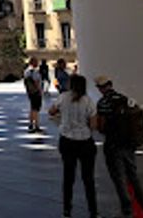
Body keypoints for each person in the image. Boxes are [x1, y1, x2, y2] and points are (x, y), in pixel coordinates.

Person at [95, 75, 143, 218]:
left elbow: (100, 127)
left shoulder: (103, 103)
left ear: (100, 88)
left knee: (119, 179)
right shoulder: (125, 99)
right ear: (111, 84)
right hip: (129, 145)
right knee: (133, 176)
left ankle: (127, 211)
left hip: (113, 146)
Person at [49, 74, 98, 218]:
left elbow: (51, 111)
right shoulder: (89, 101)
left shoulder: (63, 97)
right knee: (88, 179)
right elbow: (94, 125)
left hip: (67, 140)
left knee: (68, 177)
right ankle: (93, 211)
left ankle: (67, 210)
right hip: (84, 141)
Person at [24, 57, 43, 132]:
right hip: (36, 92)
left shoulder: (27, 71)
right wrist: (39, 90)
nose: (38, 63)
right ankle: (36, 125)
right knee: (36, 109)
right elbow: (36, 82)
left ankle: (31, 123)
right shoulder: (34, 71)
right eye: (36, 62)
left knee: (32, 108)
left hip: (30, 92)